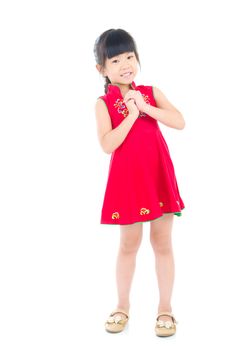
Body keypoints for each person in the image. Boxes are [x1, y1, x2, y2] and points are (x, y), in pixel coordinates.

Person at [94, 28, 185, 337]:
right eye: (115, 59)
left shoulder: (151, 92)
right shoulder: (103, 104)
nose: (125, 64)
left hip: (157, 177)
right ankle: (122, 306)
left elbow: (179, 121)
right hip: (128, 183)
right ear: (102, 69)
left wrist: (144, 107)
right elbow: (108, 144)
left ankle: (165, 309)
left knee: (162, 243)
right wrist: (132, 116)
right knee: (128, 245)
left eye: (130, 56)